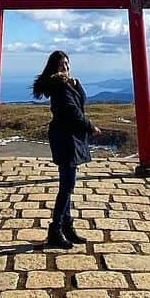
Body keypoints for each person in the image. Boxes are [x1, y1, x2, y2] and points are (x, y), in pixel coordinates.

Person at [32, 50, 101, 249]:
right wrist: (91, 127)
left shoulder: (67, 84)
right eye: (62, 64)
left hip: (69, 137)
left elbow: (80, 102)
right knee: (67, 186)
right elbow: (72, 112)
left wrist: (77, 84)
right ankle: (55, 230)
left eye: (67, 63)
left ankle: (67, 228)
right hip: (65, 138)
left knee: (68, 184)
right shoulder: (60, 86)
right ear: (54, 67)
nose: (66, 67)